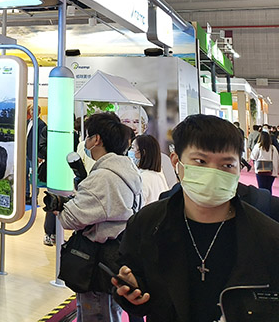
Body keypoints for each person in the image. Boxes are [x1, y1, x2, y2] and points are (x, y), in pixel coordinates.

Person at [115, 115, 279, 322]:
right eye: (200, 162)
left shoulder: (268, 235)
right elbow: (134, 279)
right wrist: (133, 295)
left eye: (227, 165)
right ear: (176, 161)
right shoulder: (148, 224)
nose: (213, 173)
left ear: (239, 166)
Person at [46, 112, 142, 322]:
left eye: (88, 136)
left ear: (96, 139)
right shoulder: (127, 170)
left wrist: (61, 208)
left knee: (97, 315)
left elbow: (70, 219)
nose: (86, 141)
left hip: (97, 263)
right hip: (115, 256)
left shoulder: (103, 178)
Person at [131, 134, 169, 205]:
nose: (130, 151)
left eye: (132, 148)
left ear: (143, 153)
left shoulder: (143, 178)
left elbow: (138, 206)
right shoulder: (158, 174)